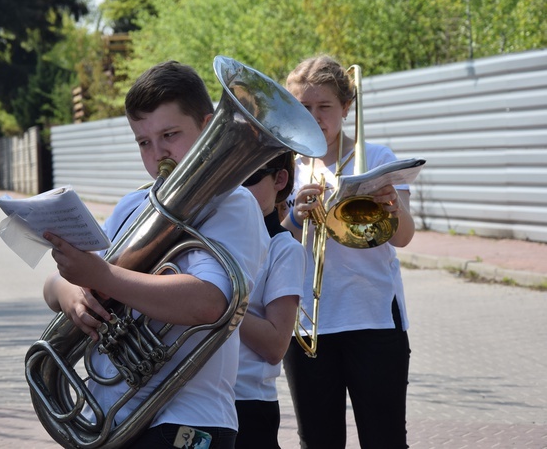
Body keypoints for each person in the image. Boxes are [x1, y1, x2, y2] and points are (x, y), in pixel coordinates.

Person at [42, 60, 270, 449]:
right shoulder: (132, 205)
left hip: (188, 421)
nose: (157, 152)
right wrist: (69, 294)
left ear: (208, 125)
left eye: (169, 134)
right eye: (143, 142)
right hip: (110, 416)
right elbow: (58, 284)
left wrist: (101, 277)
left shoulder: (232, 204)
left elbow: (210, 303)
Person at [280, 55, 415, 448]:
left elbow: (403, 238)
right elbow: (266, 248)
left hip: (374, 319)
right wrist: (292, 218)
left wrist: (393, 206)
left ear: (346, 108)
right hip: (307, 324)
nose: (315, 116)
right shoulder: (281, 167)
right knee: (318, 440)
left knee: (385, 438)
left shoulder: (377, 159)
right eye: (304, 108)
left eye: (324, 107)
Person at [234, 151, 305, 449]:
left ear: (280, 179)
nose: (236, 188)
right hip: (196, 397)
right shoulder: (209, 237)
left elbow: (277, 345)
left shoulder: (284, 249)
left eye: (249, 178)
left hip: (247, 403)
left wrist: (218, 302)